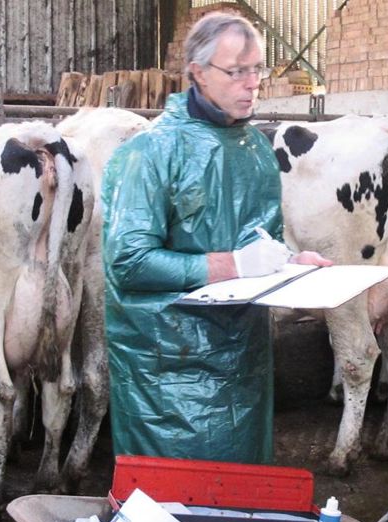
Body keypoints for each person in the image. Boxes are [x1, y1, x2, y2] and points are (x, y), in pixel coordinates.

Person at [100, 12, 330, 464]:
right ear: (198, 72)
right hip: (166, 372)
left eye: (258, 69)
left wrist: (289, 264)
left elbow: (258, 241)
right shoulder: (149, 153)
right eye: (237, 71)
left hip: (243, 362)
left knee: (240, 497)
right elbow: (128, 261)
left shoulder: (255, 151)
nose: (252, 83)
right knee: (173, 503)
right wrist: (234, 266)